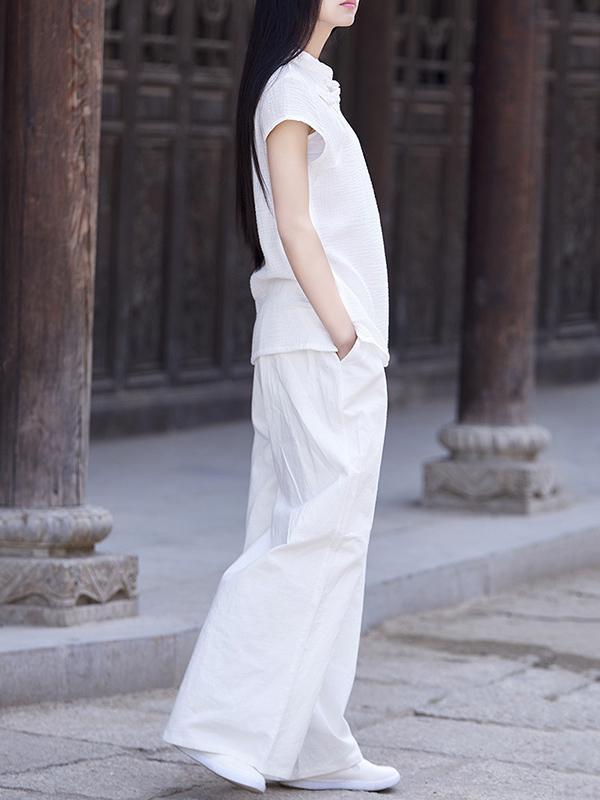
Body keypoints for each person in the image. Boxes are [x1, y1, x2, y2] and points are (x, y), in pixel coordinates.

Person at [161, 0, 399, 793]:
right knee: (313, 536)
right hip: (321, 344)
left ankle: (313, 746)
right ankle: (222, 724)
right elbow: (295, 227)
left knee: (332, 543)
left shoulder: (302, 85)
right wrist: (348, 334)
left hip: (315, 345)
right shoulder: (290, 92)